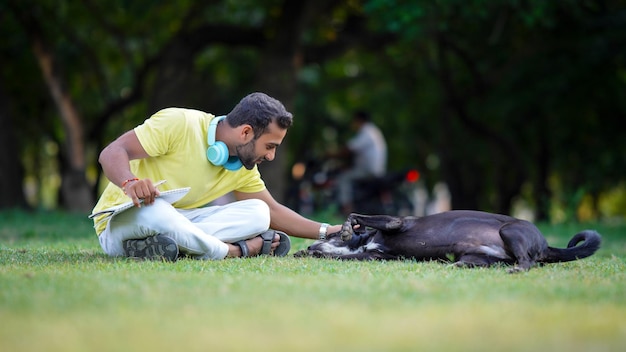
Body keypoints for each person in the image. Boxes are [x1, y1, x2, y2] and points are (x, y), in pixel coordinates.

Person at [91, 92, 341, 261]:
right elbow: (112, 152)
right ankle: (235, 251)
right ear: (245, 132)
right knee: (160, 212)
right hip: (120, 221)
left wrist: (329, 231)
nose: (272, 156)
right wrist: (130, 182)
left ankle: (168, 245)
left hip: (173, 222)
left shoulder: (242, 168)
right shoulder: (179, 123)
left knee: (259, 212)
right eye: (270, 146)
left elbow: (272, 212)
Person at [334, 111, 387, 215]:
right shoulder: (374, 131)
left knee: (343, 178)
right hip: (376, 169)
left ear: (358, 120)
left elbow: (350, 148)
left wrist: (331, 155)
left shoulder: (366, 132)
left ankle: (347, 209)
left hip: (369, 170)